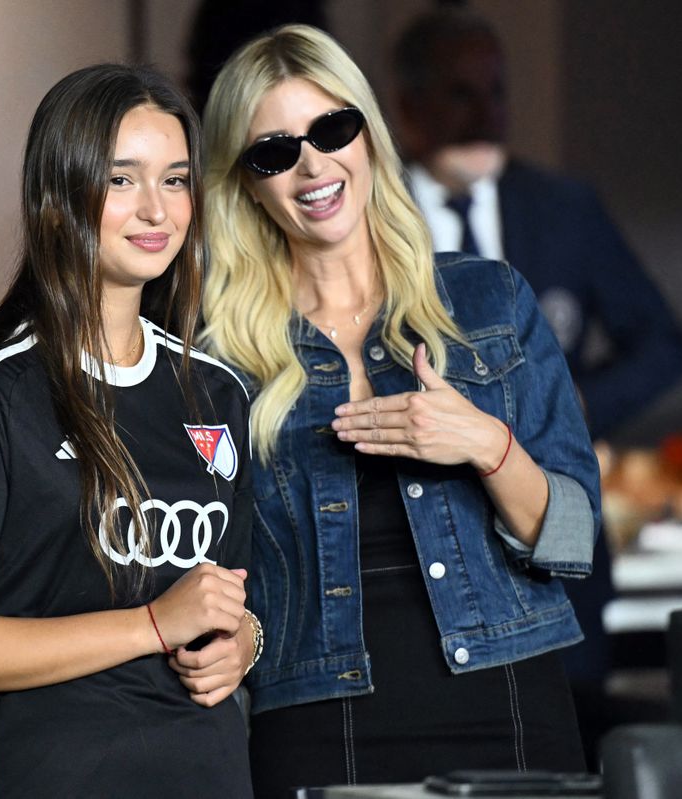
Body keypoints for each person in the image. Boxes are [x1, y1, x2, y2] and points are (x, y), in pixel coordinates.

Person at [199, 25, 602, 796]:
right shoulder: (219, 357)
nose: (313, 165)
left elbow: (575, 539)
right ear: (245, 181)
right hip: (317, 718)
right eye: (275, 151)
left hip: (508, 701)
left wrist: (488, 446)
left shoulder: (489, 298)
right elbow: (205, 565)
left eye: (331, 129)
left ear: (370, 136)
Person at [0, 64, 258, 798]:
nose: (156, 209)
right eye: (122, 179)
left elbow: (237, 601)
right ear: (58, 196)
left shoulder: (219, 390)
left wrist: (245, 643)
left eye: (177, 180)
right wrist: (151, 624)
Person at [392, 7, 682, 443]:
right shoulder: (373, 210)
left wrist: (577, 407)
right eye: (460, 95)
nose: (485, 115)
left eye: (496, 92)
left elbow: (660, 345)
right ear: (409, 107)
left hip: (544, 478)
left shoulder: (563, 209)